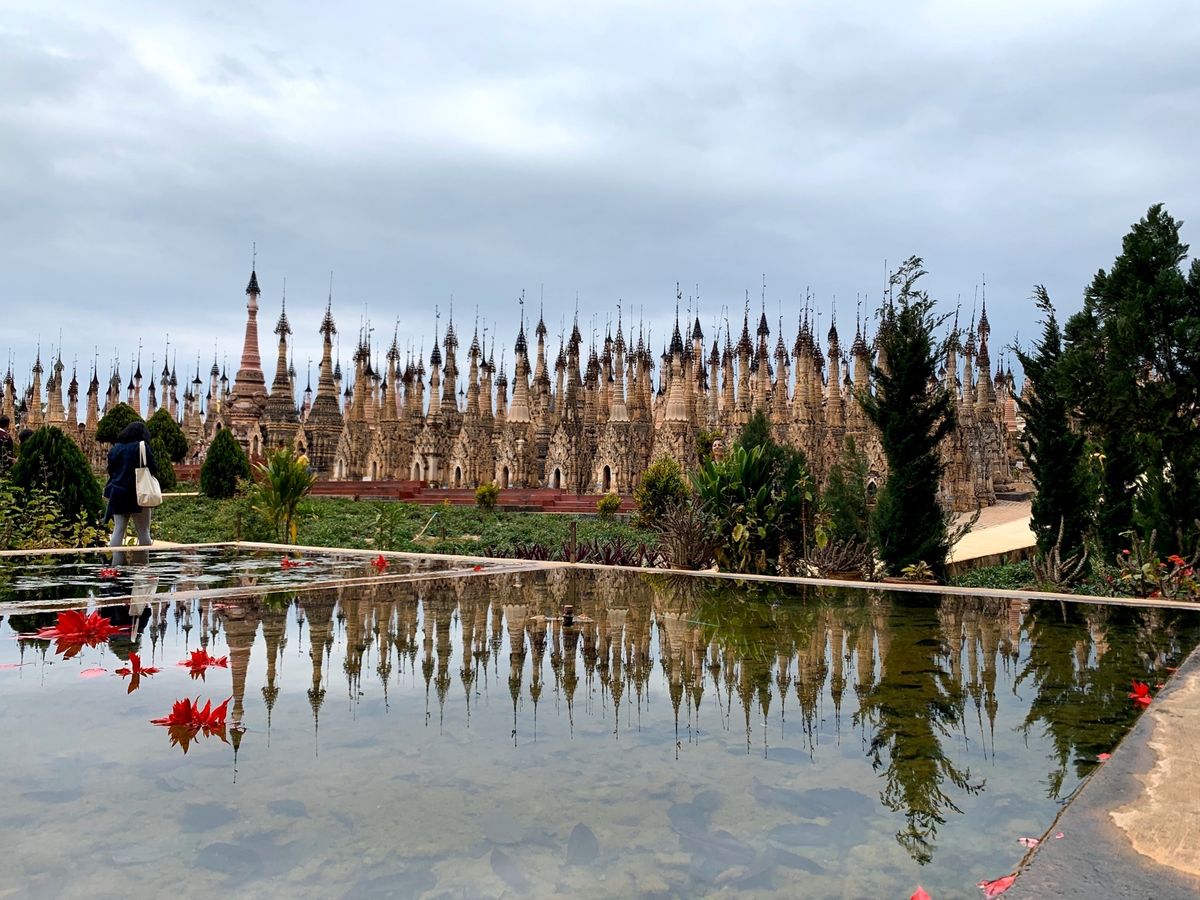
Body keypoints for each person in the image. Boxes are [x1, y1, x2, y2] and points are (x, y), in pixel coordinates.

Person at [104, 421, 158, 547]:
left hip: (117, 493)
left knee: (118, 531)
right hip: (138, 494)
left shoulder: (116, 448)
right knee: (143, 531)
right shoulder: (141, 446)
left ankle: (115, 559)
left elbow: (110, 470)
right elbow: (153, 468)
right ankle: (143, 559)